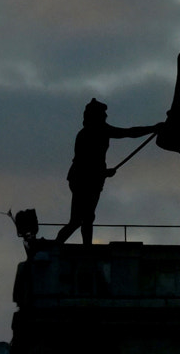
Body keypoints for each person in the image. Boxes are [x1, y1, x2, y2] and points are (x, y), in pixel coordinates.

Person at [54, 99, 160, 245]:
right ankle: (62, 245)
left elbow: (128, 133)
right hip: (83, 179)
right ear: (96, 116)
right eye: (103, 113)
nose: (105, 116)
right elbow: (87, 162)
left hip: (90, 178)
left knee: (86, 218)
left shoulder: (96, 130)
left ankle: (83, 246)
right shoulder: (94, 132)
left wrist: (103, 172)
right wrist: (153, 128)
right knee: (79, 219)